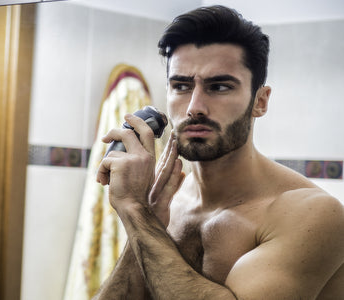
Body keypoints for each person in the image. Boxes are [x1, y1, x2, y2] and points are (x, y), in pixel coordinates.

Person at [95, 5, 344, 299]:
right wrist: (145, 215)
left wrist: (135, 212)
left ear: (260, 101)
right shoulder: (163, 202)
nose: (194, 107)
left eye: (219, 86)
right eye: (181, 86)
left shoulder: (312, 215)